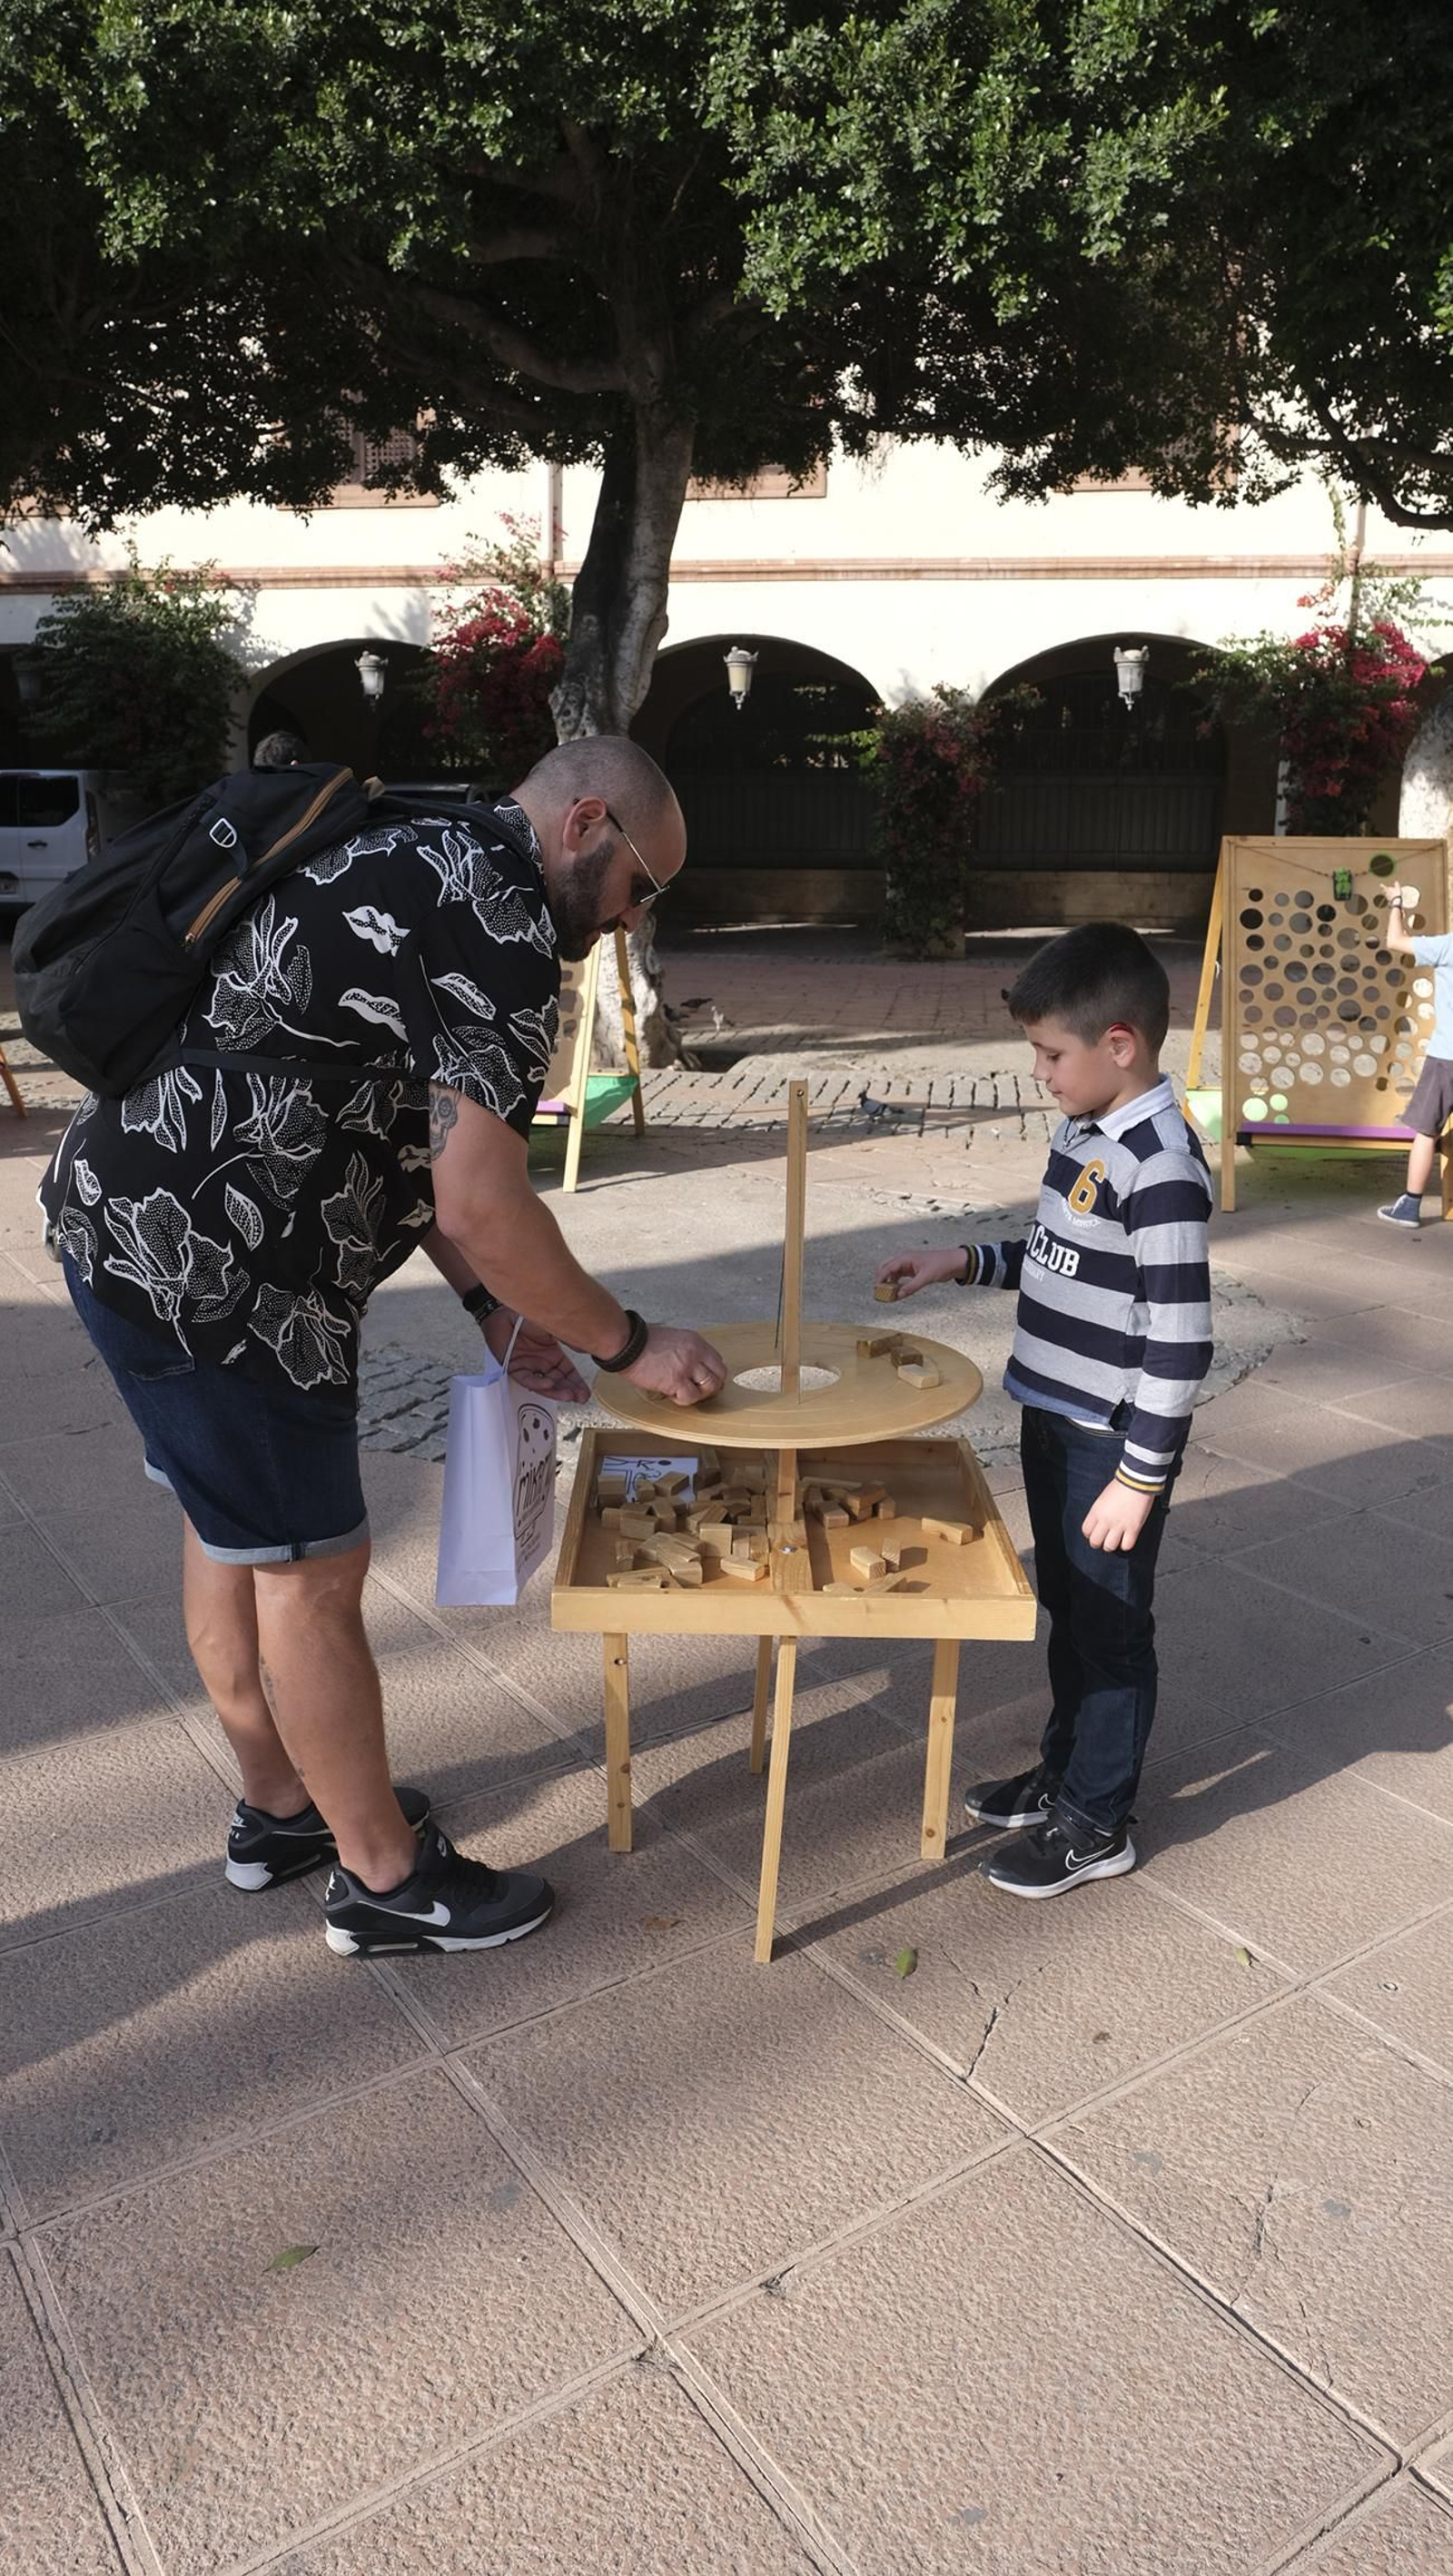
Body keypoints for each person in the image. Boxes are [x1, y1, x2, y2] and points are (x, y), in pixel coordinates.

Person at [40, 736, 727, 1958]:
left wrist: (498, 1313)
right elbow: (480, 1198)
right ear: (585, 825)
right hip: (225, 1274)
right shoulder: (505, 921)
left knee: (232, 1527)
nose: (630, 920)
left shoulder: (414, 841)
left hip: (125, 1215)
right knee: (311, 1570)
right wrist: (626, 1342)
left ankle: (280, 1805)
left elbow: (407, 1135)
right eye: (641, 887)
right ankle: (383, 1879)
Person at [875, 923, 1213, 1900]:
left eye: (1049, 1053)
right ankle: (1062, 1772)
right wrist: (956, 1260)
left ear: (1119, 1043)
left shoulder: (1160, 1167)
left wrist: (1138, 1479)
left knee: (1110, 1629)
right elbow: (1057, 1256)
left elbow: (1182, 1341)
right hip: (1053, 1414)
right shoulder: (1083, 1131)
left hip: (1111, 1441)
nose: (1038, 1072)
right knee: (1066, 1607)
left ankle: (1097, 1820)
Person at [1378, 882, 1453, 1227]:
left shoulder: (1447, 946)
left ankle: (1410, 1205)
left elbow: (1395, 942)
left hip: (1446, 1058)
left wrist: (1395, 903)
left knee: (1426, 1130)